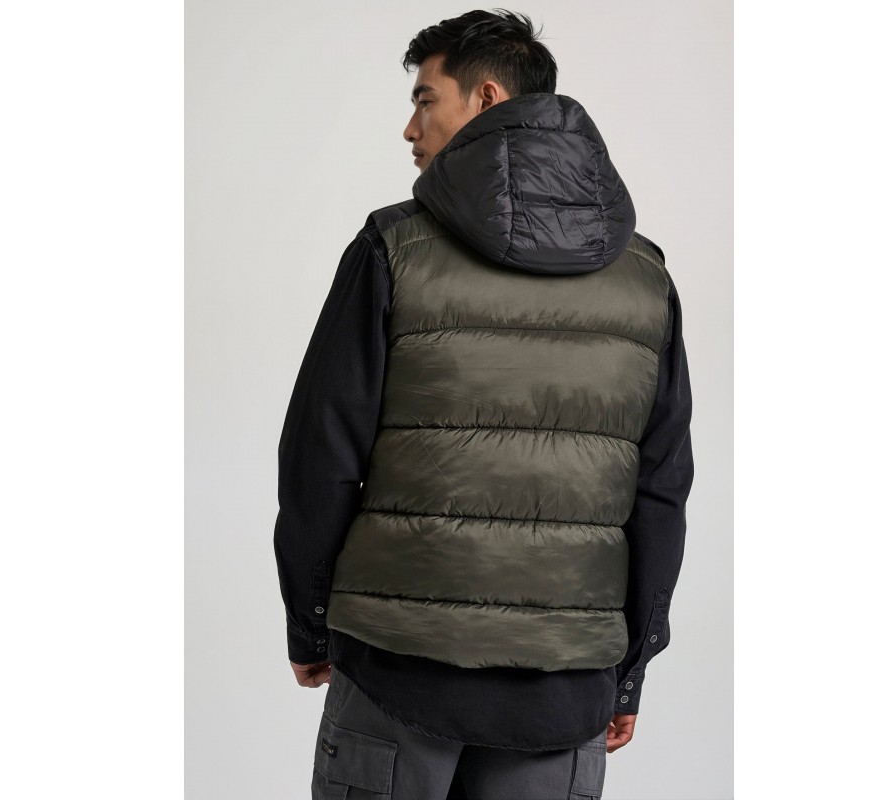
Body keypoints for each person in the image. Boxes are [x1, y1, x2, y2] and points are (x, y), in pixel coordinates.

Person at [273, 9, 694, 799]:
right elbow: (661, 488)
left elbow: (320, 456)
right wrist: (631, 668)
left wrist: (311, 622)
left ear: (486, 97)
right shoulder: (645, 278)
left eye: (424, 100)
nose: (410, 128)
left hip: (397, 666)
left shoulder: (391, 249)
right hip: (566, 686)